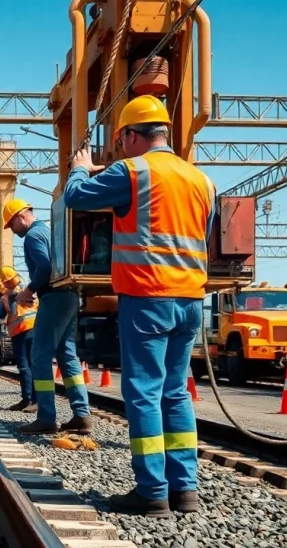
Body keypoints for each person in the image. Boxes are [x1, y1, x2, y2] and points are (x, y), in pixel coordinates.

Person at [61, 94, 216, 517]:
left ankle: (151, 492)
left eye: (121, 140)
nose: (120, 148)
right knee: (175, 392)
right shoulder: (201, 180)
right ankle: (185, 490)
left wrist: (80, 169)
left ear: (131, 135)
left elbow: (75, 197)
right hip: (190, 300)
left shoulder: (134, 171)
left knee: (144, 393)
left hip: (148, 296)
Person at [1, 199, 91, 435]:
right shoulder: (50, 231)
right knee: (67, 356)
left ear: (21, 216)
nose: (12, 230)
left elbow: (44, 267)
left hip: (54, 297)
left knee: (39, 357)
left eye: (11, 224)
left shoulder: (33, 236)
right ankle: (81, 415)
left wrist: (28, 291)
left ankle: (46, 418)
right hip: (70, 296)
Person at [0, 267, 38, 412]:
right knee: (34, 366)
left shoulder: (7, 296)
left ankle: (29, 400)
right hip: (36, 328)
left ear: (6, 282)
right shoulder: (32, 288)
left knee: (25, 367)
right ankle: (33, 400)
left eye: (6, 283)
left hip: (21, 332)